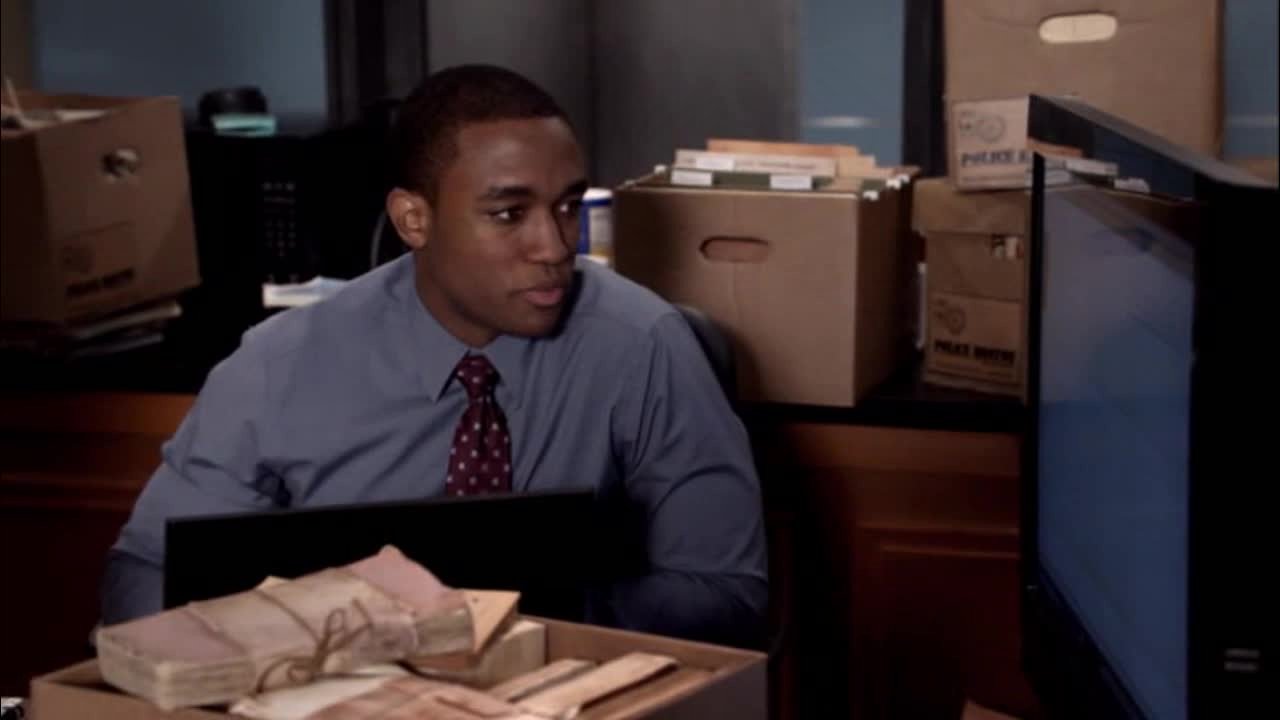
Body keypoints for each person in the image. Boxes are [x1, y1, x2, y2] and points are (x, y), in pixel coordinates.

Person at [101, 64, 767, 647]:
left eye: (567, 207)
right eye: (509, 214)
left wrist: (513, 616)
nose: (555, 246)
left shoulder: (644, 346)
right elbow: (148, 571)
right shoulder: (281, 364)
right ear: (414, 220)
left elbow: (728, 594)